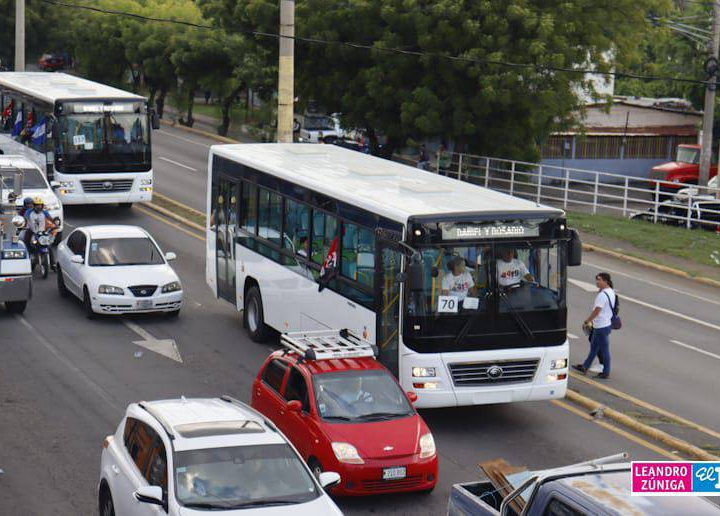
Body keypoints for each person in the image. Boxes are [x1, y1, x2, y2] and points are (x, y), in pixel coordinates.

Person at [573, 272, 617, 379]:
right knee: (594, 348)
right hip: (604, 325)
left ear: (605, 281)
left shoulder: (602, 295)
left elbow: (597, 311)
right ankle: (585, 366)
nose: (597, 281)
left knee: (604, 350)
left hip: (601, 326)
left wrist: (587, 321)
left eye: (599, 279)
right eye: (596, 279)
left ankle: (605, 372)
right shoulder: (611, 291)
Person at [23, 197, 58, 271]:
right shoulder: (28, 212)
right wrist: (23, 225)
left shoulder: (44, 212)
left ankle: (53, 264)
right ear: (33, 205)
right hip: (31, 231)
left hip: (42, 232)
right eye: (36, 205)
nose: (38, 207)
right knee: (26, 244)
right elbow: (25, 219)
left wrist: (55, 224)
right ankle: (27, 262)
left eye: (40, 205)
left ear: (42, 205)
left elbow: (50, 219)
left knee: (48, 246)